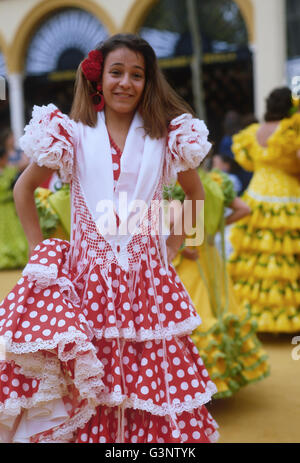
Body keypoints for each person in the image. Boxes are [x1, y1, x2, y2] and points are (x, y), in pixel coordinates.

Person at [0, 34, 219, 443]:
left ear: (148, 82)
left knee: (152, 390)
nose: (126, 83)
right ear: (98, 79)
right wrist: (36, 250)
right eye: (116, 72)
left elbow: (196, 194)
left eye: (137, 74)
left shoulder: (169, 136)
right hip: (86, 289)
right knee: (89, 391)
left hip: (147, 291)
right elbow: (22, 189)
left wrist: (178, 244)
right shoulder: (70, 133)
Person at [169, 168, 269, 399]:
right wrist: (217, 226)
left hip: (187, 254)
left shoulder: (173, 183)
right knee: (218, 310)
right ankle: (218, 377)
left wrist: (179, 242)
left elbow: (172, 219)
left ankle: (190, 385)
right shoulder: (218, 181)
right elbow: (244, 209)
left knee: (189, 317)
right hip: (211, 255)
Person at [228, 87, 300, 333]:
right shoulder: (292, 129)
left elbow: (247, 163)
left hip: (257, 194)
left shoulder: (252, 132)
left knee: (257, 255)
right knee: (287, 254)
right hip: (289, 195)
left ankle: (254, 314)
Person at [0, 147, 28, 269]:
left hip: (9, 208)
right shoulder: (8, 170)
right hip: (3, 208)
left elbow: (25, 164)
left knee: (14, 232)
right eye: (5, 158)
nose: (7, 160)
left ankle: (16, 258)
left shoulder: (9, 170)